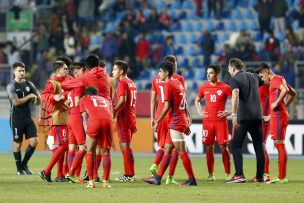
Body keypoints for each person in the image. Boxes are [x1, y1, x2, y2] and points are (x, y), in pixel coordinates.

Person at [143, 62, 197, 186]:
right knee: (167, 149)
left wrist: (157, 120)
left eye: (160, 72)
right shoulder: (178, 83)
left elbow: (166, 105)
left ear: (166, 73)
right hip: (178, 119)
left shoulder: (169, 85)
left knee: (182, 151)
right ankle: (157, 178)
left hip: (176, 121)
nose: (158, 74)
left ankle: (192, 179)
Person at [257, 63, 297, 184]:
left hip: (279, 116)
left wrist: (277, 104)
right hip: (277, 115)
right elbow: (293, 93)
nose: (262, 80)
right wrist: (283, 105)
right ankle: (281, 176)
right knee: (279, 145)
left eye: (262, 77)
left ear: (266, 72)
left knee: (280, 145)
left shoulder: (276, 80)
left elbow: (285, 90)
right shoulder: (280, 79)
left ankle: (282, 177)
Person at [227, 58, 265, 183]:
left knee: (235, 145)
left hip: (243, 117)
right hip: (257, 116)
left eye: (229, 68)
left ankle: (239, 174)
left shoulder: (234, 79)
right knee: (259, 146)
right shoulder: (254, 76)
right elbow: (262, 81)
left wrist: (234, 114)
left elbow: (236, 94)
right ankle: (259, 176)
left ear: (233, 68)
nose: (228, 71)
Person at [149, 55, 185, 184]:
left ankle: (155, 166)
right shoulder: (179, 79)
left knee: (164, 145)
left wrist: (153, 118)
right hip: (171, 116)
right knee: (173, 147)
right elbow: (182, 101)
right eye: (174, 63)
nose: (175, 65)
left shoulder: (156, 79)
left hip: (160, 114)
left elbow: (153, 100)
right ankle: (170, 176)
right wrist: (187, 116)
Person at [195, 64, 231, 181]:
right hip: (207, 122)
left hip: (220, 122)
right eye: (207, 73)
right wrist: (200, 111)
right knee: (209, 148)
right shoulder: (204, 87)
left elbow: (237, 100)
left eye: (210, 73)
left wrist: (229, 112)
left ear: (217, 74)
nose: (208, 75)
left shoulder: (225, 87)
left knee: (223, 148)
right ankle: (211, 174)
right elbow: (197, 100)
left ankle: (227, 174)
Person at [39, 61, 70, 182]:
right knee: (63, 146)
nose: (67, 71)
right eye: (65, 69)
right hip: (58, 118)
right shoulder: (53, 83)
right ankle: (46, 171)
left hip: (68, 118)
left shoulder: (70, 80)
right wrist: (53, 97)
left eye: (68, 69)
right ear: (58, 71)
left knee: (61, 147)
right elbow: (44, 96)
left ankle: (60, 176)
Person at [7, 62, 40, 175]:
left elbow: (38, 96)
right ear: (14, 72)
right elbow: (15, 102)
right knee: (18, 143)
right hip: (16, 118)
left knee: (35, 141)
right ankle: (18, 169)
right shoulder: (11, 85)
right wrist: (30, 96)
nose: (21, 73)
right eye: (19, 71)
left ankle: (24, 164)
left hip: (28, 117)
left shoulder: (29, 84)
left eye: (23, 71)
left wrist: (37, 99)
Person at [80, 87, 113, 188]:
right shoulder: (106, 100)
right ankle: (106, 182)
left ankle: (91, 182)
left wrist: (87, 134)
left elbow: (85, 118)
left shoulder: (84, 100)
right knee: (106, 152)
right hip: (108, 122)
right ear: (97, 94)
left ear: (86, 95)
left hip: (94, 122)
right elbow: (111, 114)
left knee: (90, 151)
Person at [112, 60, 137, 182]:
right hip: (131, 117)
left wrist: (114, 111)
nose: (113, 71)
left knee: (125, 146)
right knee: (125, 146)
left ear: (121, 71)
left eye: (115, 69)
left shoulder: (122, 83)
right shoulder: (131, 82)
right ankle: (130, 173)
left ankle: (129, 175)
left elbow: (122, 100)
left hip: (124, 118)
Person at [247, 67, 271, 182]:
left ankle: (265, 174)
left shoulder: (264, 86)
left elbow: (276, 97)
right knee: (261, 147)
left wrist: (270, 115)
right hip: (256, 120)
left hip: (264, 121)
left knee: (262, 147)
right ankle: (263, 174)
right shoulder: (254, 88)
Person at [64, 62, 87, 183]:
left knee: (72, 147)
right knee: (83, 147)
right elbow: (77, 102)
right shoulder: (79, 85)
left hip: (70, 117)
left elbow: (67, 102)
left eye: (77, 70)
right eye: (75, 71)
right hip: (77, 117)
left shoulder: (72, 86)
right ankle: (73, 174)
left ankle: (70, 176)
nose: (75, 73)